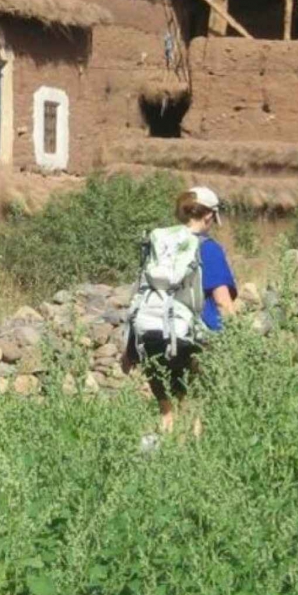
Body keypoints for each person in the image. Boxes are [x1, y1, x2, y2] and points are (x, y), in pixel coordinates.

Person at [125, 186, 237, 445]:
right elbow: (222, 301)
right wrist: (239, 339)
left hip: (155, 335)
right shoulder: (208, 249)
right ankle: (190, 465)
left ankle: (158, 464)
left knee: (167, 413)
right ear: (209, 216)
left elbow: (140, 293)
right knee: (194, 411)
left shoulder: (160, 245)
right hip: (196, 339)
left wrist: (128, 347)